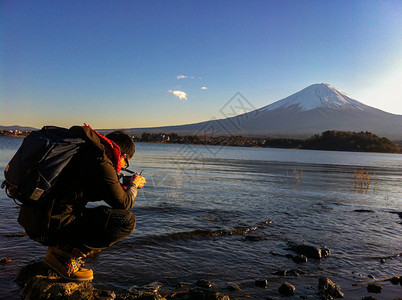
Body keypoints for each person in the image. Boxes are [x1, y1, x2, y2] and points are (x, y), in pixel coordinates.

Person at [17, 125, 146, 281]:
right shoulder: (102, 161)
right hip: (49, 227)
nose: (122, 167)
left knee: (87, 211)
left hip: (32, 222)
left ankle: (58, 252)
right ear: (123, 155)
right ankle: (63, 258)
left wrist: (114, 186)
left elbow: (77, 191)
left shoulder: (81, 150)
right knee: (126, 221)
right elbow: (125, 204)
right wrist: (133, 185)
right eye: (125, 163)